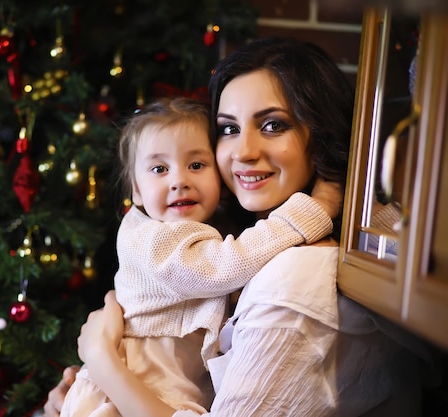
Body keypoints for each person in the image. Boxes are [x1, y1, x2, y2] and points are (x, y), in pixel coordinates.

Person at [46, 37, 430, 417]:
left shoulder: (295, 275)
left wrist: (102, 361)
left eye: (273, 124)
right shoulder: (224, 239)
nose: (244, 151)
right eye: (229, 129)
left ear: (321, 132)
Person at [58, 96, 338, 417]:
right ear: (136, 190)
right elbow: (222, 267)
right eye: (159, 169)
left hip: (156, 390)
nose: (179, 181)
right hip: (130, 394)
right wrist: (316, 209)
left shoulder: (202, 230)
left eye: (196, 165)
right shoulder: (152, 237)